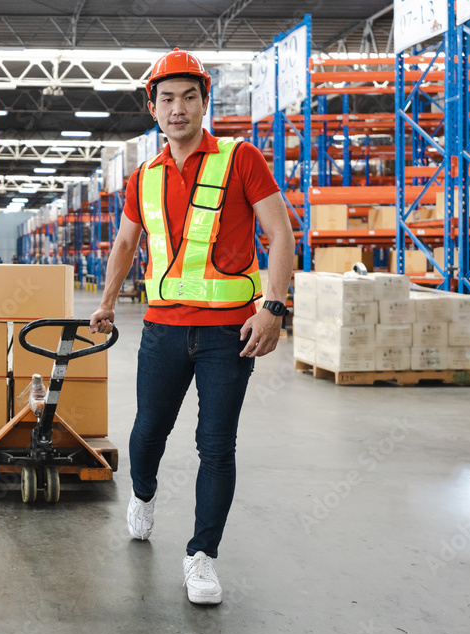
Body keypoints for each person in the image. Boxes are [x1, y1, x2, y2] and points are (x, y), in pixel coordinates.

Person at [89, 48, 294, 605]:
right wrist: (107, 301)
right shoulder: (143, 177)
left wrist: (273, 308)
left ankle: (202, 556)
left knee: (216, 446)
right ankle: (145, 494)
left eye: (189, 97)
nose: (177, 109)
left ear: (204, 102)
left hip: (231, 334)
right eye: (167, 98)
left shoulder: (241, 158)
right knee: (147, 432)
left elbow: (281, 233)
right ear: (152, 107)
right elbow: (127, 244)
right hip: (162, 331)